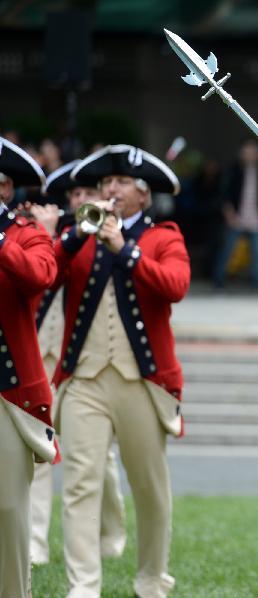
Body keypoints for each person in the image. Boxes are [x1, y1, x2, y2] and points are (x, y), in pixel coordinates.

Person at [54, 144, 189, 597]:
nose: (111, 190)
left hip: (141, 382)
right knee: (79, 483)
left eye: (121, 183)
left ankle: (152, 578)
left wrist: (125, 250)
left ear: (143, 195)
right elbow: (46, 273)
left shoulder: (163, 236)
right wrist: (75, 234)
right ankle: (83, 585)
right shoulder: (79, 234)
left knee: (149, 489)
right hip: (84, 380)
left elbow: (176, 286)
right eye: (106, 183)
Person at [27, 162, 127, 567]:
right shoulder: (62, 235)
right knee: (38, 447)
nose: (78, 201)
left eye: (85, 193)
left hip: (79, 360)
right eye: (72, 196)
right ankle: (36, 540)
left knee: (96, 457)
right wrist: (50, 234)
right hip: (39, 355)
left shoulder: (101, 236)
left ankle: (111, 531)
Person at [0, 137, 58, 598]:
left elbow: (39, 276)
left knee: (7, 509)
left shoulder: (27, 234)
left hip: (7, 394)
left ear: (4, 188)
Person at [213, 138, 258, 290]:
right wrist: (229, 214)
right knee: (227, 251)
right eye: (247, 152)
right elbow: (225, 195)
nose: (250, 155)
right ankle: (218, 282)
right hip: (237, 217)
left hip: (256, 218)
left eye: (253, 152)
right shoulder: (234, 171)